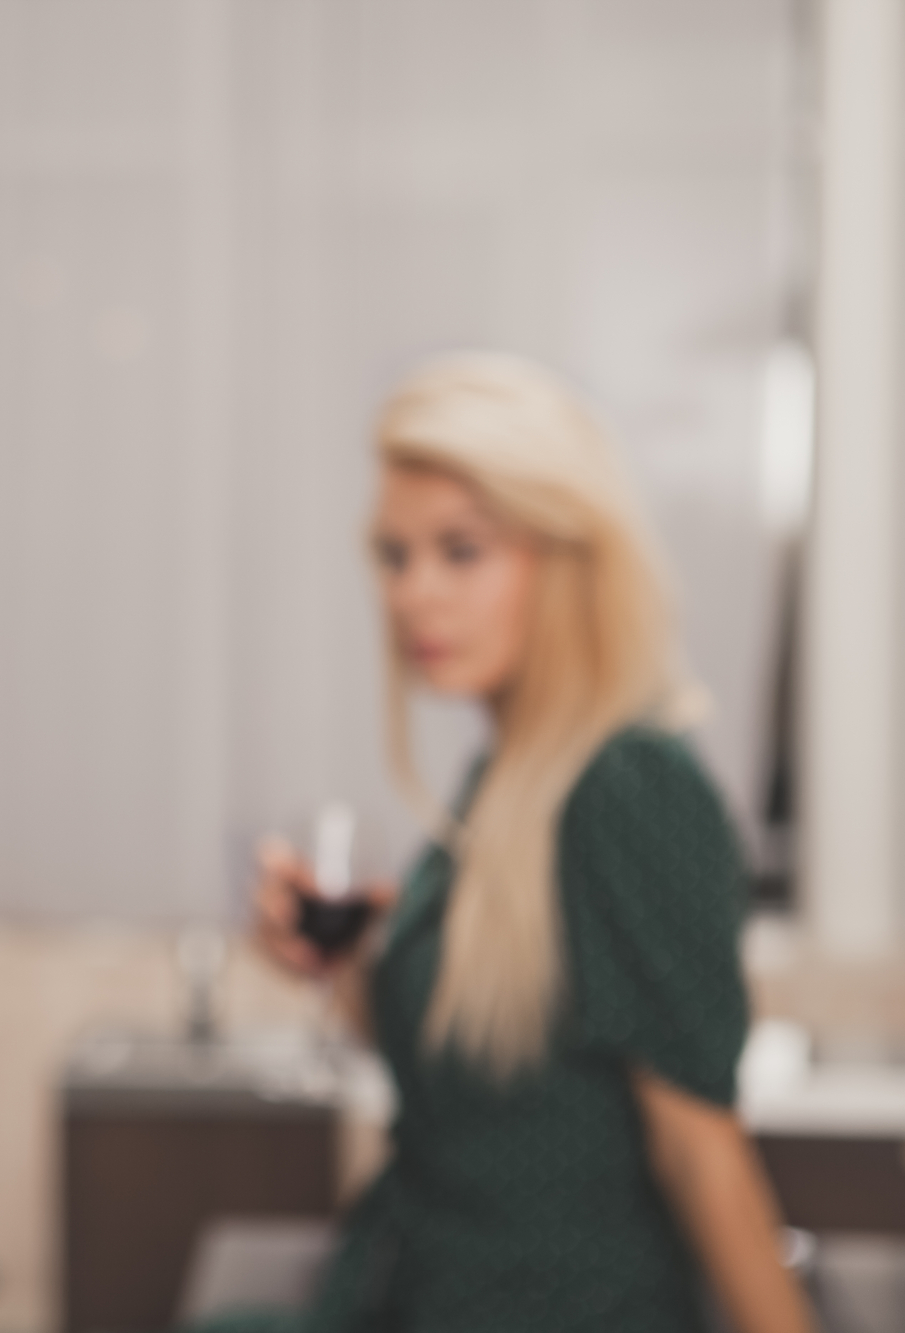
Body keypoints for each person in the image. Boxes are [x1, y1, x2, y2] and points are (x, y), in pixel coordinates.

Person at [232, 355, 812, 1333]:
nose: (413, 593)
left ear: (572, 556)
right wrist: (355, 959)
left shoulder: (628, 784)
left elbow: (701, 1152)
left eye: (459, 551)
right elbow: (480, 1071)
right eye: (392, 554)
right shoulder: (505, 780)